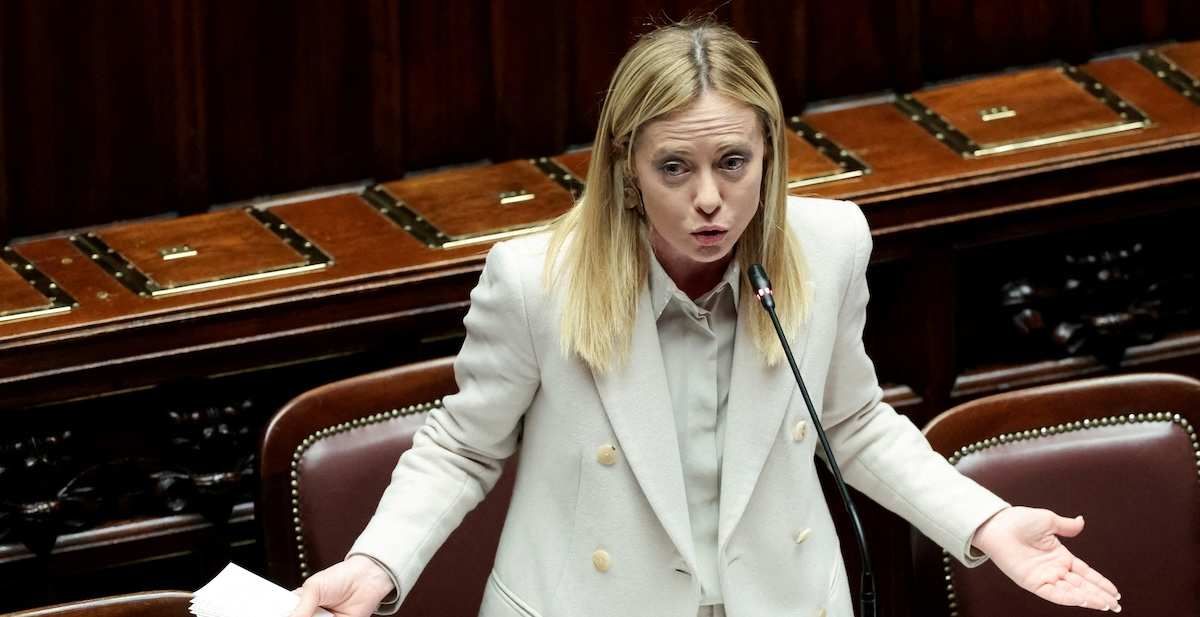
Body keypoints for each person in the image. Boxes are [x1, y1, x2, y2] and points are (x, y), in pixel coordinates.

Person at [289, 20, 1122, 617]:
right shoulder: (538, 281)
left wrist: (986, 521)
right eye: (675, 168)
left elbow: (853, 422)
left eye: (732, 161)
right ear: (627, 169)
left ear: (769, 155)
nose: (710, 199)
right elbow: (463, 447)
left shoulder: (828, 246)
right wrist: (378, 561)